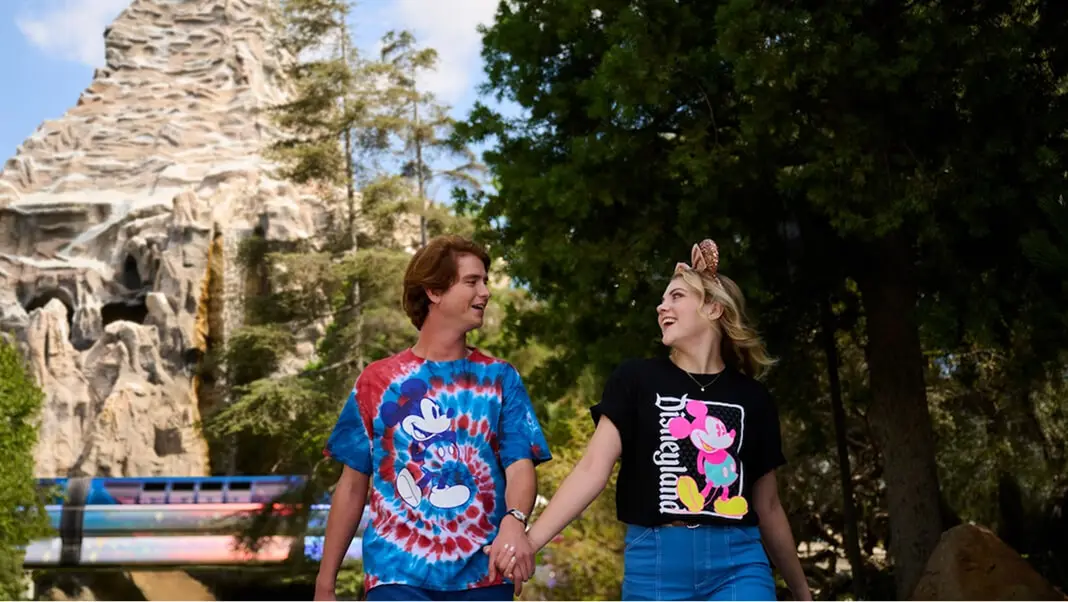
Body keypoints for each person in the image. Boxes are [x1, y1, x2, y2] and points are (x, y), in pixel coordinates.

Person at [508, 239, 811, 601]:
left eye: (676, 296)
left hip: (739, 564)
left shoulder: (753, 398)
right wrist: (530, 542)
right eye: (663, 299)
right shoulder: (635, 380)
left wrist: (802, 591)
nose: (661, 306)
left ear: (713, 308)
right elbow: (592, 470)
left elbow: (769, 506)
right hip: (655, 565)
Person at [314, 235, 552, 602]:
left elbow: (520, 467)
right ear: (434, 292)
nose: (486, 292)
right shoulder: (377, 381)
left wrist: (515, 522)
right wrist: (325, 583)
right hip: (396, 575)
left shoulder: (501, 379)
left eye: (485, 281)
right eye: (472, 281)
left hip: (484, 576)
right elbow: (351, 486)